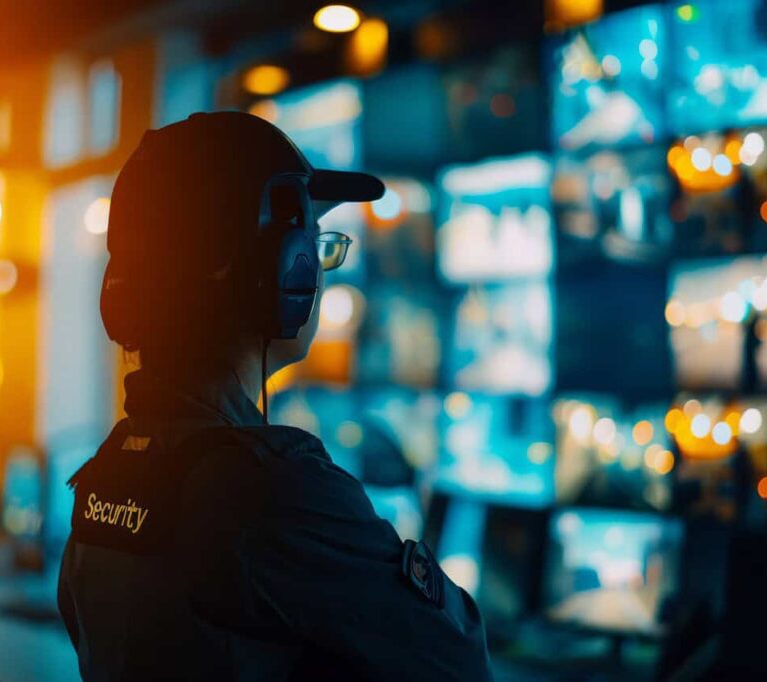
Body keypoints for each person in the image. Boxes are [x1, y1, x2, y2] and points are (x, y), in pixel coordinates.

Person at [57, 111, 493, 681]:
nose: (318, 268)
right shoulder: (275, 490)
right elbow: (456, 656)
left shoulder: (109, 473)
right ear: (281, 270)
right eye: (315, 243)